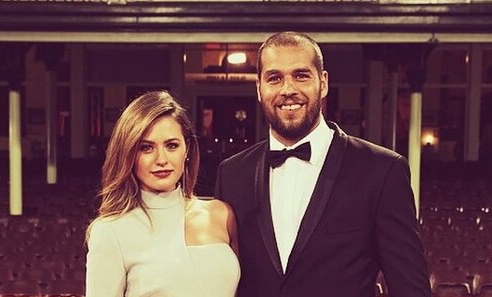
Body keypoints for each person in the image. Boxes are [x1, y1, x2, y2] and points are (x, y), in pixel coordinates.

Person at [215, 32, 431, 296]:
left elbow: (410, 287)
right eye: (274, 78)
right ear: (259, 89)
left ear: (324, 83)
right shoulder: (232, 173)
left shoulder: (381, 170)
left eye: (301, 75)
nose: (288, 89)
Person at [86, 90, 240, 297]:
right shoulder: (110, 231)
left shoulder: (221, 214)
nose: (161, 159)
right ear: (129, 154)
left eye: (171, 145)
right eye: (146, 148)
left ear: (187, 150)